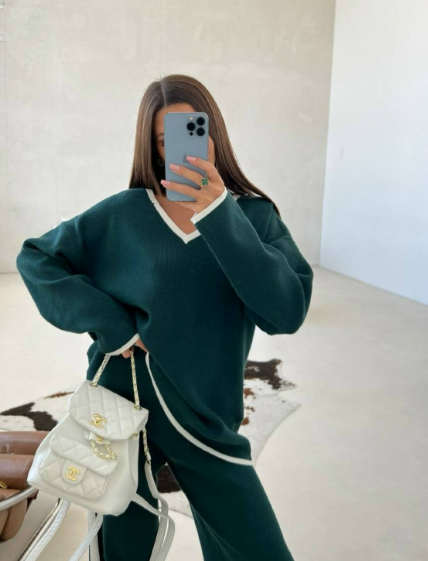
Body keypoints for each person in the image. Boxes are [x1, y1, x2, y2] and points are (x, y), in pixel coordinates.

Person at [16, 74, 313, 561]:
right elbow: (37, 258)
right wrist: (112, 325)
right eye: (163, 140)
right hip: (123, 407)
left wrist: (218, 212)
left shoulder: (254, 218)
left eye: (193, 130)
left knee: (255, 548)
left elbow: (286, 312)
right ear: (152, 149)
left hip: (206, 417)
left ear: (213, 133)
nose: (179, 147)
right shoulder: (125, 213)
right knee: (122, 545)